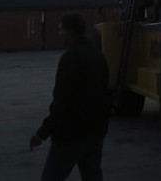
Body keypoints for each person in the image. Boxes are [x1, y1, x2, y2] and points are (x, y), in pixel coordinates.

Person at [30, 13, 110, 181]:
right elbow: (105, 93)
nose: (59, 34)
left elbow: (61, 103)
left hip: (71, 135)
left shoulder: (69, 59)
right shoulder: (98, 56)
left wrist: (42, 133)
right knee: (93, 175)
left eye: (61, 30)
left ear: (69, 31)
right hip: (95, 131)